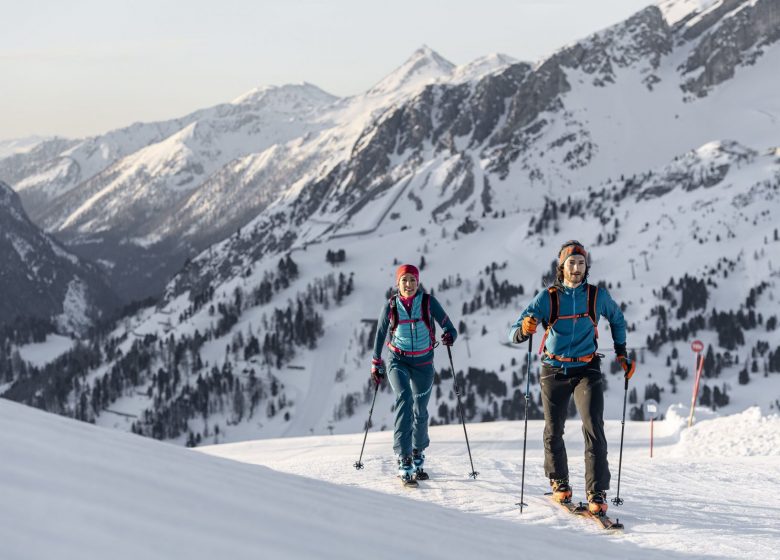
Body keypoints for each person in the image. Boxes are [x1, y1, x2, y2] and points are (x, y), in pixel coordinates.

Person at [507, 240, 636, 514]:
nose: (576, 268)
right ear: (561, 267)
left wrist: (621, 353)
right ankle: (559, 481)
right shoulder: (548, 297)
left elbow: (617, 319)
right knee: (553, 429)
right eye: (571, 263)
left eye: (580, 263)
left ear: (586, 266)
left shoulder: (596, 296)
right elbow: (514, 332)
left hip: (587, 369)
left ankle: (596, 491)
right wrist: (525, 329)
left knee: (593, 427)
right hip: (553, 370)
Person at [371, 264, 457, 485]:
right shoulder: (390, 306)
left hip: (423, 362)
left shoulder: (428, 302)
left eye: (412, 280)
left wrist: (449, 335)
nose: (408, 284)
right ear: (397, 283)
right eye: (404, 280)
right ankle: (404, 456)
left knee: (420, 409)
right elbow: (380, 334)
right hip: (397, 360)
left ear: (418, 282)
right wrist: (375, 362)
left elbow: (450, 327)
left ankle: (418, 452)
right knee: (404, 399)